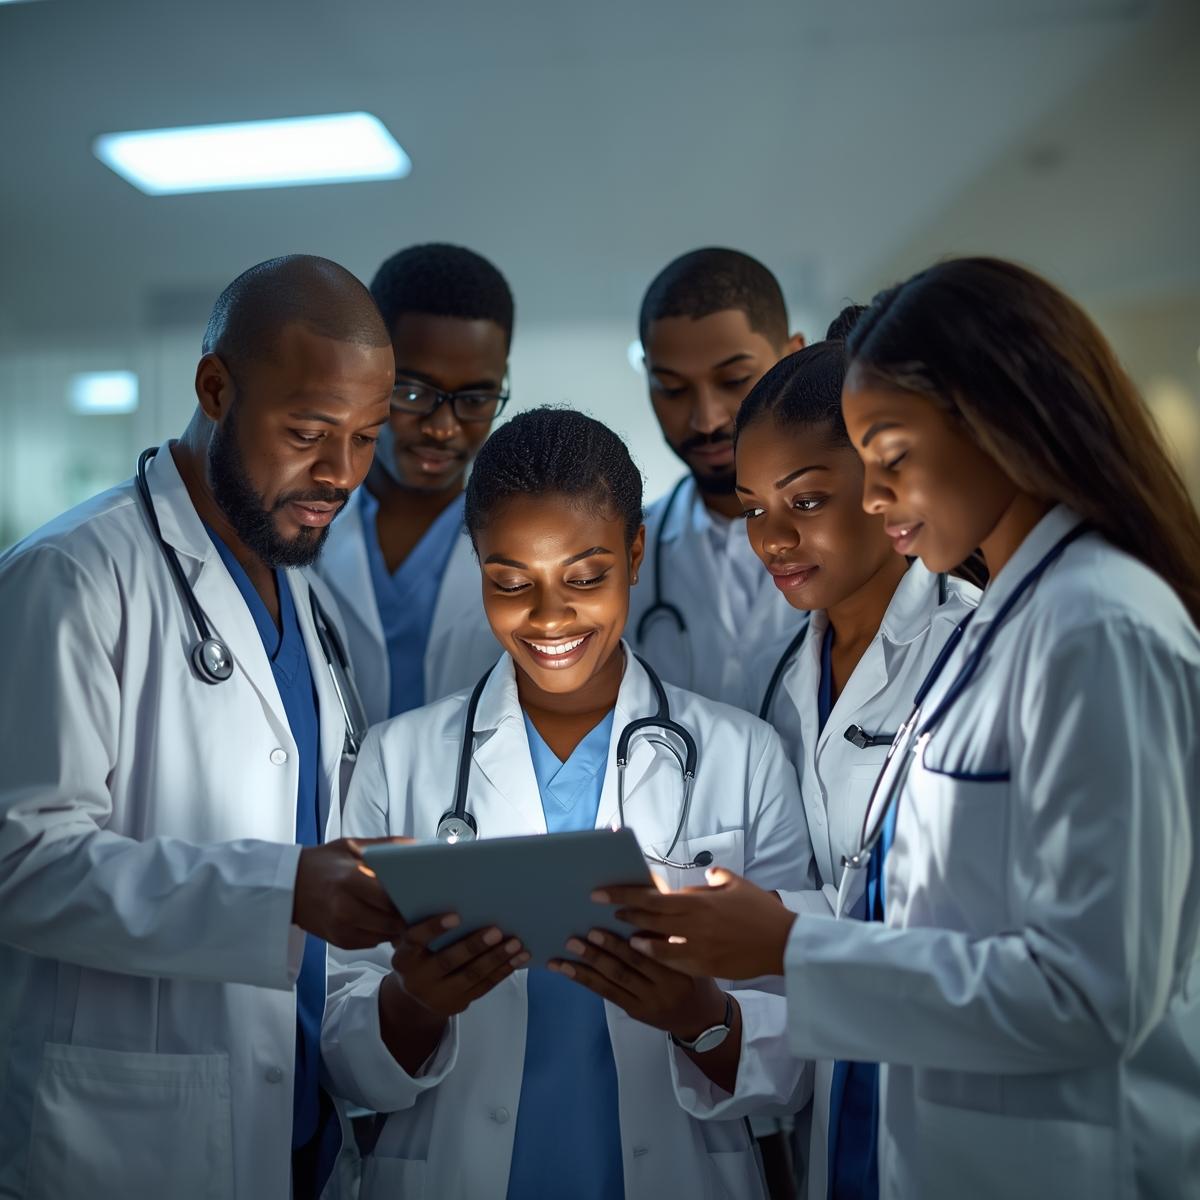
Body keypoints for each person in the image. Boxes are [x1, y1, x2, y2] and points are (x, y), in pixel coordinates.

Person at [597, 257, 1200, 1200]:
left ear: (993, 420)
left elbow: (1093, 994)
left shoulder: (1099, 626)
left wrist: (787, 945)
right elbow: (927, 908)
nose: (876, 500)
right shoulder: (1015, 623)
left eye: (890, 457)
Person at [321, 407, 815, 1200]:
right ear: (477, 565)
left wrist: (703, 1016)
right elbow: (340, 1052)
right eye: (511, 583)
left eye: (586, 578)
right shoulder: (398, 760)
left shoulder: (744, 756)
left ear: (636, 553)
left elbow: (801, 1059)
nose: (550, 617)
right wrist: (413, 1002)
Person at [0, 255, 411, 1200]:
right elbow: (19, 862)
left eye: (365, 437)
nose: (341, 473)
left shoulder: (312, 606)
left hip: (300, 1125)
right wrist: (283, 891)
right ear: (215, 387)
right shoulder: (73, 578)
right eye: (308, 432)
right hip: (126, 1136)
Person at [734, 317, 979, 1198]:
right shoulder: (784, 680)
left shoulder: (973, 648)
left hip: (960, 1085)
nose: (772, 538)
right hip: (837, 1080)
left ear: (881, 483)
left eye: (804, 501)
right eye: (752, 508)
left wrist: (791, 935)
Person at [317, 243, 513, 723]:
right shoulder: (304, 527)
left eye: (474, 398)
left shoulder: (515, 547)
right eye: (411, 391)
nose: (443, 427)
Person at [628, 248, 806, 707]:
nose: (705, 419)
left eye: (734, 380)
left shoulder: (877, 539)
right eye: (672, 388)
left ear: (793, 358)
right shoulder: (623, 560)